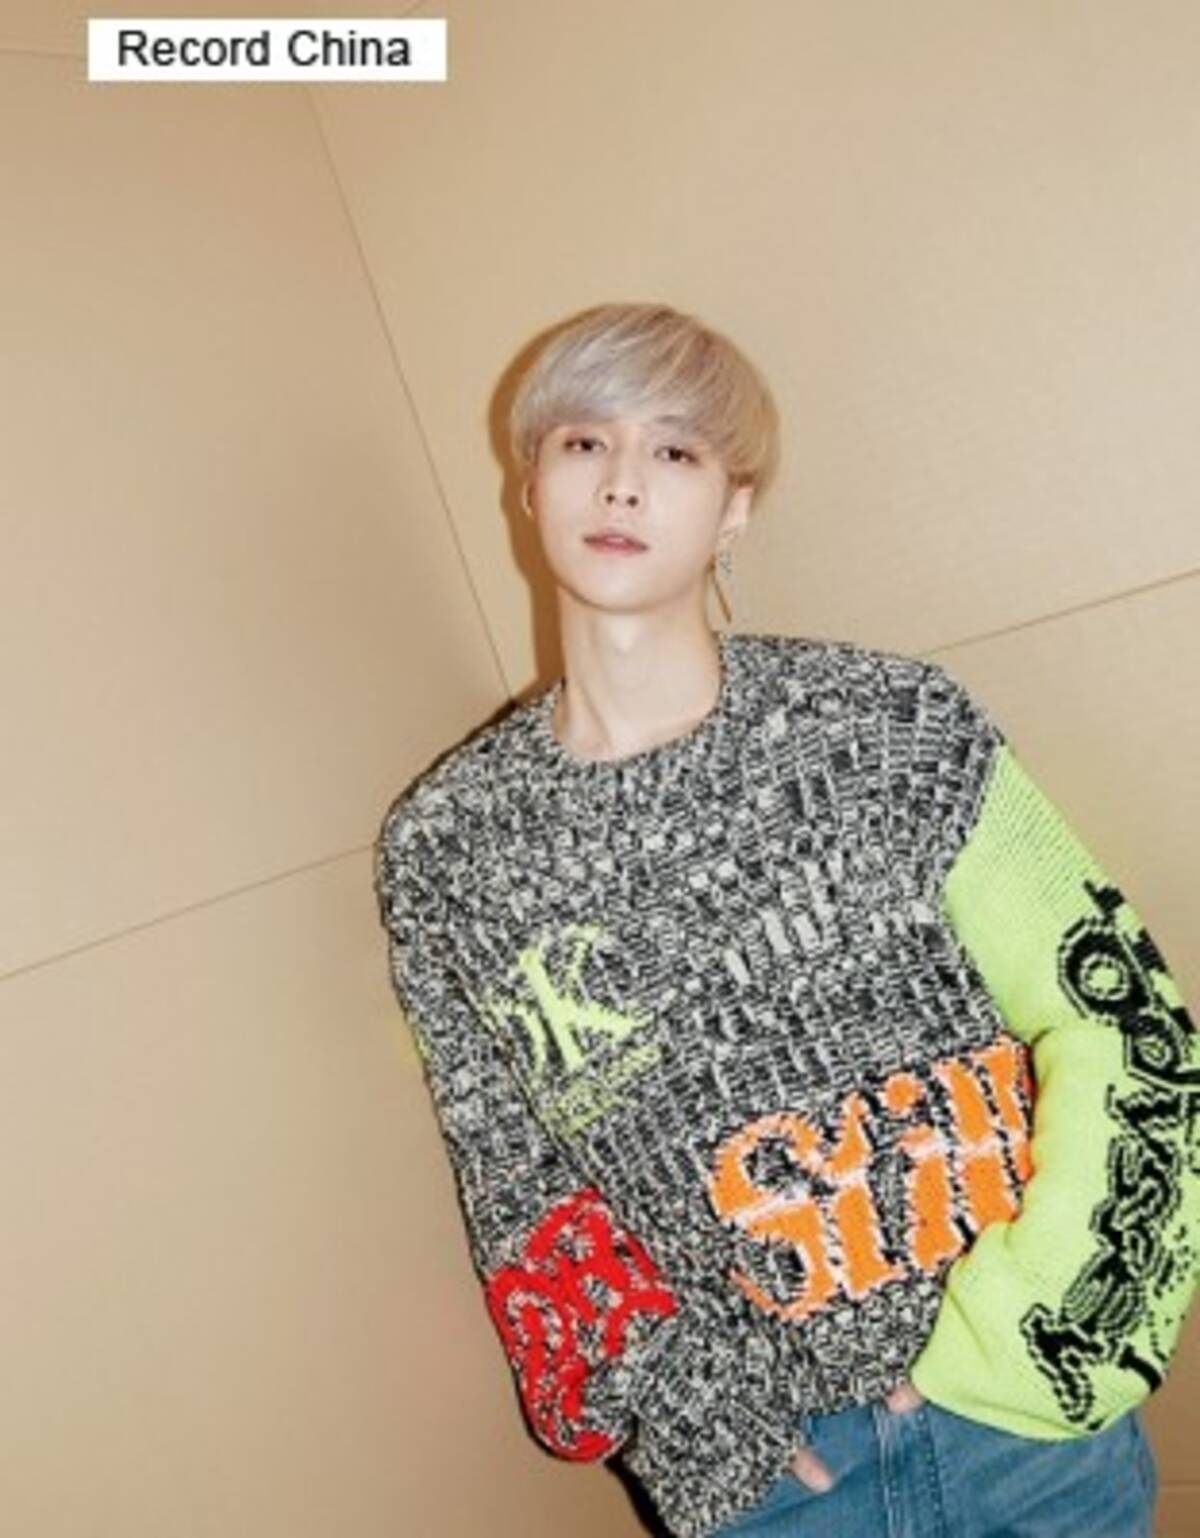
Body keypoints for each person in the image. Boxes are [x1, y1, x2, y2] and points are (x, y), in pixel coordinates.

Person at [373, 302, 1196, 1537]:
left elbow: (1122, 1022)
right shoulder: (450, 848)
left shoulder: (890, 726)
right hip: (777, 1488)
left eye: (676, 450)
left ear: (734, 506)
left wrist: (1041, 1327)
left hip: (1030, 1437)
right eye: (586, 441)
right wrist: (701, 1427)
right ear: (530, 480)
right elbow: (522, 1195)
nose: (624, 482)